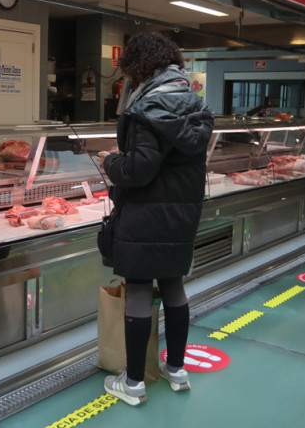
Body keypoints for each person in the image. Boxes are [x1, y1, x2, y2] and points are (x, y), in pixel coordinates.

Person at [98, 31, 214, 406]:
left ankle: (133, 384)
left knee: (139, 290)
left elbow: (140, 169)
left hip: (145, 213)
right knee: (174, 286)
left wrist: (110, 161)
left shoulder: (148, 108)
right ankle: (176, 370)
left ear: (139, 66)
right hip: (181, 213)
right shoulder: (193, 102)